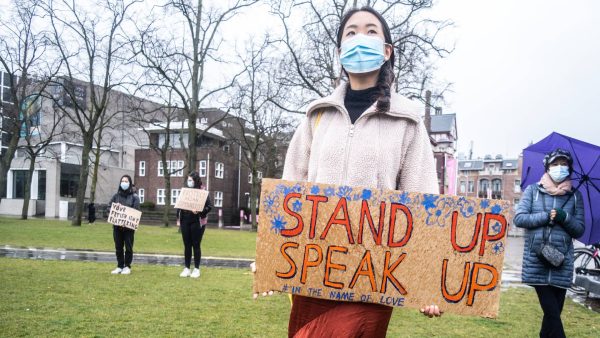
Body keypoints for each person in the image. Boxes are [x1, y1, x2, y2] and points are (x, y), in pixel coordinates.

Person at [273, 6, 441, 337]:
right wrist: (273, 256)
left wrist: (428, 278)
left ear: (387, 50)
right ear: (339, 52)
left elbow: (423, 202)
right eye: (351, 32)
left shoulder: (407, 121)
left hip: (374, 275)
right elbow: (289, 190)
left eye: (370, 31)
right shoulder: (315, 116)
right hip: (314, 271)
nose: (359, 38)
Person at [514, 148, 585, 338]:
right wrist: (546, 217)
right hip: (537, 259)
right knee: (553, 314)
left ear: (569, 169)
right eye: (555, 164)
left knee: (551, 318)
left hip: (561, 262)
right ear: (547, 167)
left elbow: (579, 229)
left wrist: (564, 217)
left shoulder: (575, 196)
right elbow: (519, 219)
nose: (559, 168)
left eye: (564, 164)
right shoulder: (532, 191)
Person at [177, 172, 212, 278]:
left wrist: (200, 211)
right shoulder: (185, 192)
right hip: (185, 220)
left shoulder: (203, 192)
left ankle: (196, 269)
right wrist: (179, 216)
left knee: (196, 245)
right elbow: (179, 204)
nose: (189, 182)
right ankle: (187, 268)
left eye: (191, 180)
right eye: (188, 180)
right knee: (187, 245)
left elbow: (209, 206)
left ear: (196, 181)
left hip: (197, 222)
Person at [109, 175, 140, 275]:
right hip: (117, 227)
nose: (124, 183)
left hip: (128, 228)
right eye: (122, 181)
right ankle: (119, 265)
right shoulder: (116, 196)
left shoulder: (135, 197)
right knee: (118, 247)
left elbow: (136, 211)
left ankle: (127, 266)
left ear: (130, 183)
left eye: (126, 181)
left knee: (128, 247)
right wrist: (115, 208)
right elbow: (108, 208)